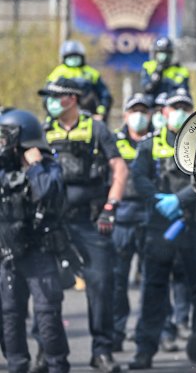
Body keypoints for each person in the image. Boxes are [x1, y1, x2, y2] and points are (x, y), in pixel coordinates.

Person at [39, 77, 128, 373]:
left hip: (90, 222)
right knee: (47, 288)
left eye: (55, 96)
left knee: (101, 285)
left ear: (72, 99)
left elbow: (119, 169)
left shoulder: (96, 129)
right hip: (53, 222)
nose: (50, 101)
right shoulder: (43, 131)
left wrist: (110, 207)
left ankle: (101, 351)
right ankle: (46, 351)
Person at [129, 88, 196, 370]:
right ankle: (144, 351)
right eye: (174, 107)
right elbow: (138, 177)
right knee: (153, 291)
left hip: (192, 226)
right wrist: (158, 201)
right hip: (159, 229)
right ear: (164, 112)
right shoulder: (149, 144)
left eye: (184, 107)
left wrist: (177, 200)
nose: (179, 112)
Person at [0, 110, 70, 373]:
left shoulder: (47, 166)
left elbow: (45, 192)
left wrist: (35, 165)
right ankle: (17, 365)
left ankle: (56, 365)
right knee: (9, 315)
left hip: (39, 251)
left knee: (47, 315)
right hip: (7, 253)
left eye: (3, 137)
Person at [111, 93, 152, 353]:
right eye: (133, 110)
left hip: (151, 214)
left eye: (143, 111)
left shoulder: (156, 140)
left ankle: (146, 338)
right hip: (123, 215)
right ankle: (116, 332)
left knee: (152, 280)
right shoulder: (113, 141)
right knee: (117, 279)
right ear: (125, 115)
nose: (138, 116)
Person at [47, 40, 113, 121]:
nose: (73, 59)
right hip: (63, 117)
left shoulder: (91, 73)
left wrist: (101, 112)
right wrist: (52, 115)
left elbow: (105, 95)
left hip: (90, 116)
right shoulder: (57, 73)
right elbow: (47, 96)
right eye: (70, 56)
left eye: (76, 56)